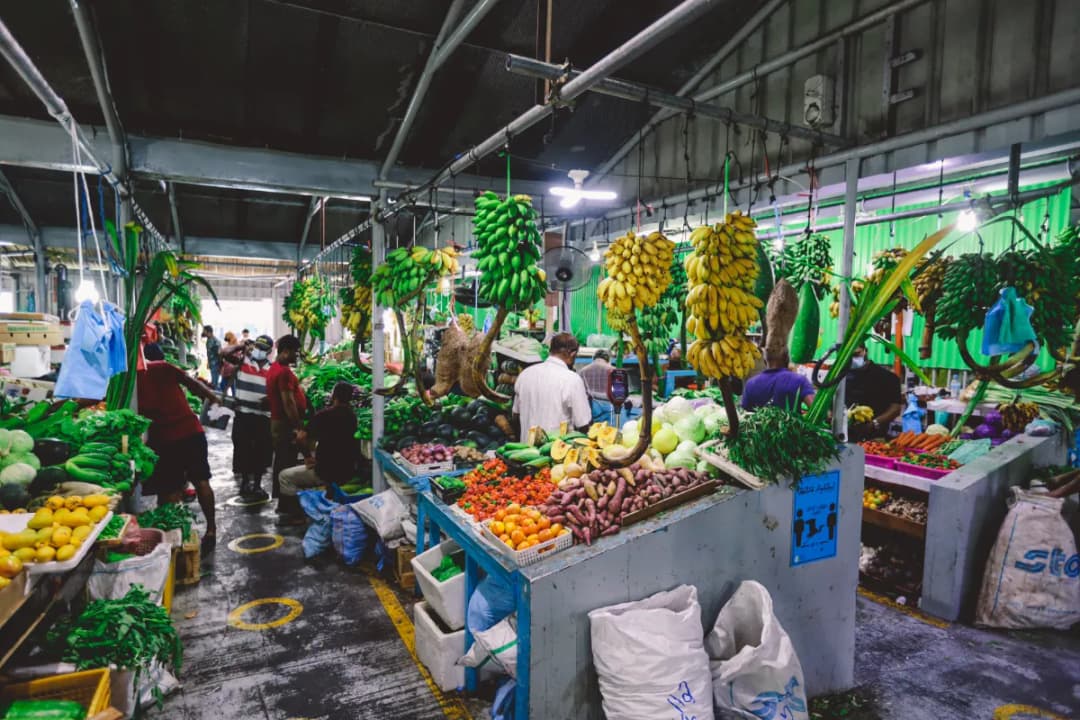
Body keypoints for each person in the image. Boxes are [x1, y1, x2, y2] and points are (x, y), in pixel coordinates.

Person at [137, 348, 220, 551]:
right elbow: (196, 387)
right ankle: (210, 529)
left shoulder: (126, 383)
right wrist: (214, 401)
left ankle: (173, 539)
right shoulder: (163, 367)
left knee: (169, 490)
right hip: (190, 433)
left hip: (166, 440)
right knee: (201, 482)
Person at [277, 382, 358, 525]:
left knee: (284, 476)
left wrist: (307, 457)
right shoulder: (353, 417)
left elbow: (301, 437)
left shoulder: (324, 415)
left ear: (334, 396)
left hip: (325, 472)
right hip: (348, 470)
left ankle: (299, 515)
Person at [512, 333, 591, 441]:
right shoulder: (572, 379)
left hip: (526, 452)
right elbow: (583, 424)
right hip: (557, 452)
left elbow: (515, 416)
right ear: (572, 354)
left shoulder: (525, 374)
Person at [268, 334, 308, 517]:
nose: (296, 355)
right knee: (287, 464)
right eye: (295, 352)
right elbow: (288, 403)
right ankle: (288, 508)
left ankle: (283, 504)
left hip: (277, 423)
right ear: (285, 351)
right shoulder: (283, 372)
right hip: (284, 424)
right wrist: (298, 427)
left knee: (282, 461)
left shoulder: (274, 368)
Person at [231, 334, 275, 501]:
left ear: (269, 351)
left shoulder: (272, 369)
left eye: (262, 349)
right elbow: (223, 353)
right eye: (257, 347)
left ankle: (257, 484)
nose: (258, 351)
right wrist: (241, 347)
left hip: (263, 417)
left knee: (261, 452)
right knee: (242, 449)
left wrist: (270, 400)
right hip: (243, 415)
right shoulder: (244, 362)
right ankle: (244, 483)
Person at [845, 345, 903, 441]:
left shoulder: (888, 377)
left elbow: (895, 408)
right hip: (844, 435)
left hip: (875, 438)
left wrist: (874, 424)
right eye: (849, 355)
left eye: (856, 354)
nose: (853, 358)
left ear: (865, 351)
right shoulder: (841, 377)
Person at [740, 348, 815, 412]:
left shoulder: (750, 383)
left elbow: (745, 413)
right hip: (792, 428)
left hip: (759, 428)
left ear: (765, 361)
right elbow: (815, 409)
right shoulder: (800, 380)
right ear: (787, 359)